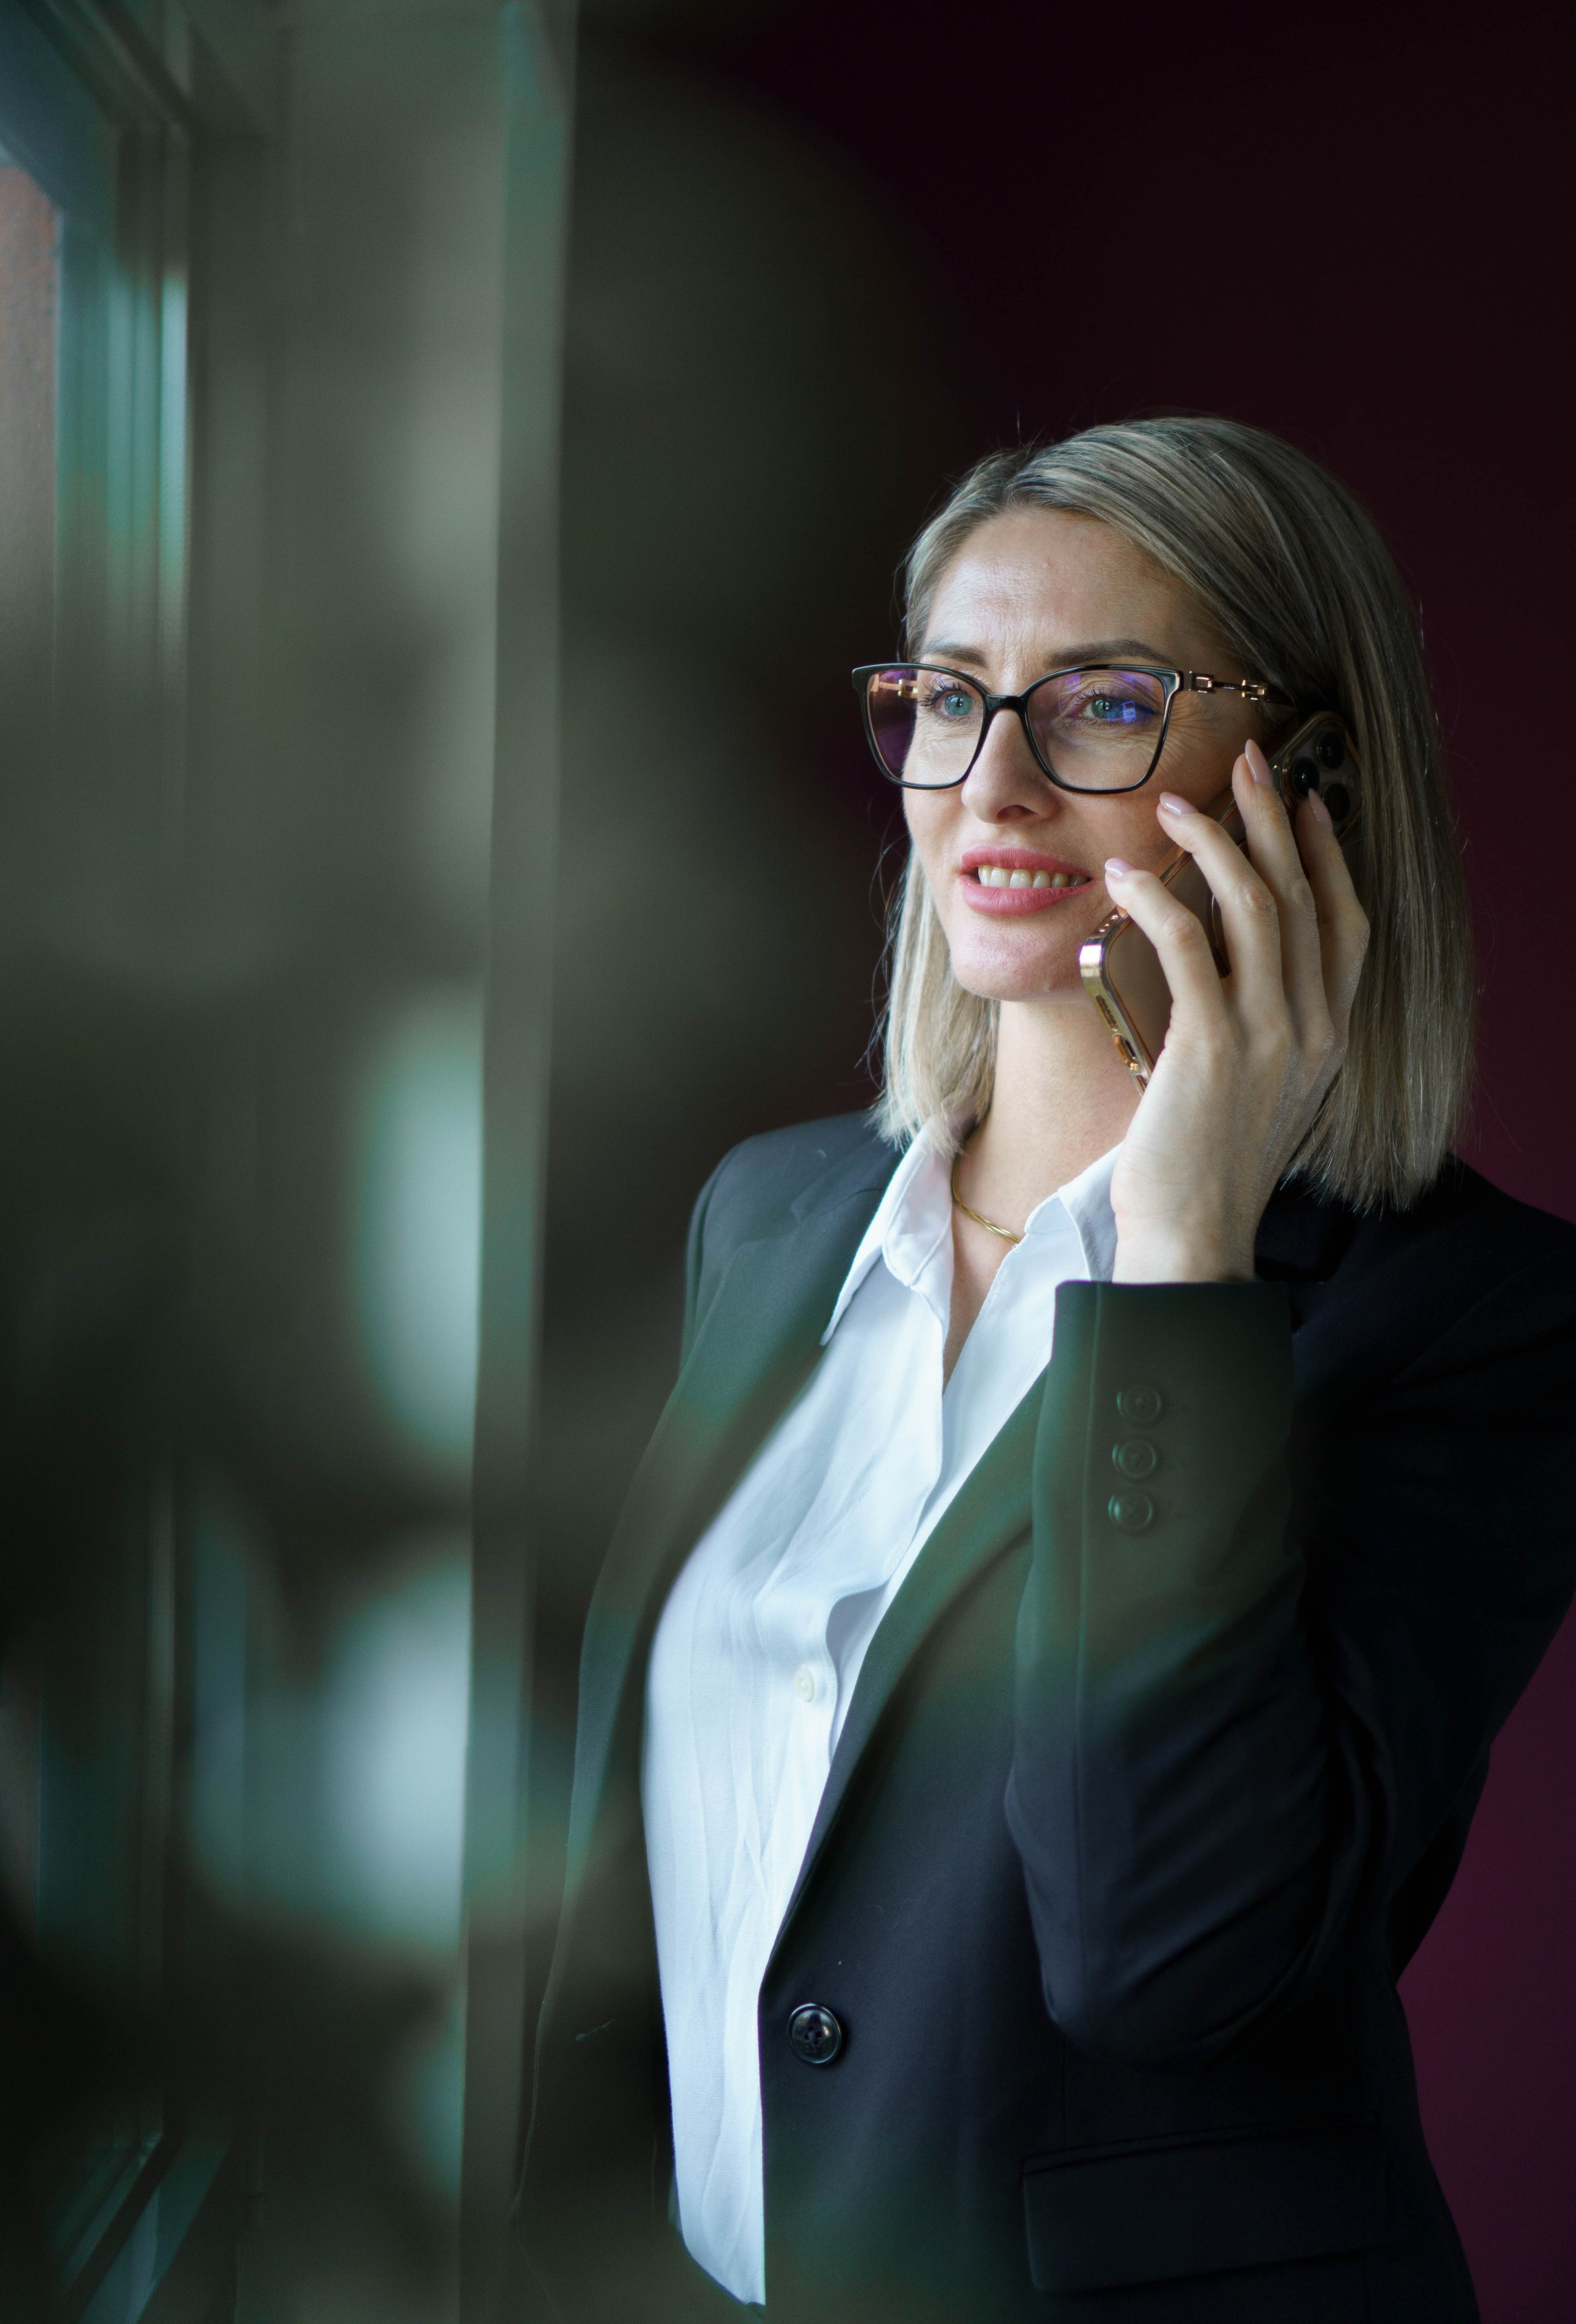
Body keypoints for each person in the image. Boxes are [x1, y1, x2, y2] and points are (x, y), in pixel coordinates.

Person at [509, 418, 1576, 2323]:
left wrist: (1181, 1258)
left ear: (1304, 778)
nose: (989, 782)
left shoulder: (1474, 1321)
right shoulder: (769, 1219)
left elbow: (1164, 1956)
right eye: (944, 698)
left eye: (1099, 702)